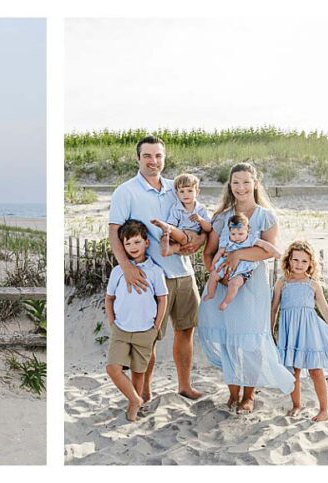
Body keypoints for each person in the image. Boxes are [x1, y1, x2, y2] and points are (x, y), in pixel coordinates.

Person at [108, 136, 205, 401]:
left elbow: (199, 224)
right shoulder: (126, 191)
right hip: (149, 276)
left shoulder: (178, 187)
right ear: (138, 158)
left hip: (183, 272)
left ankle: (184, 385)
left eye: (158, 156)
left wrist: (196, 240)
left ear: (164, 158)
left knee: (186, 331)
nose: (153, 161)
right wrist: (126, 267)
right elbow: (114, 232)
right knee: (148, 336)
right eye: (148, 156)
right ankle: (145, 390)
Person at [197, 162, 294, 413]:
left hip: (253, 286)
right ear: (230, 186)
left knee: (251, 340)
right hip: (225, 284)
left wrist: (238, 255)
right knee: (229, 340)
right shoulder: (221, 217)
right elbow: (209, 252)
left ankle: (248, 394)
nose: (241, 187)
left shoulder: (266, 216)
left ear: (255, 183)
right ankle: (233, 392)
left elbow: (268, 252)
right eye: (236, 182)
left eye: (246, 181)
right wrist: (218, 275)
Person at [272, 240, 328, 421]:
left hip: (310, 332)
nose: (299, 265)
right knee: (293, 370)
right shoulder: (282, 282)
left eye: (304, 261)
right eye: (295, 260)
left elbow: (325, 309)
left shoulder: (312, 284)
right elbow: (273, 308)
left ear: (311, 263)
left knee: (315, 370)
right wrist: (270, 330)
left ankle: (324, 409)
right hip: (290, 333)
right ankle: (296, 405)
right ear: (288, 260)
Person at [104, 220, 167, 421]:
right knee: (113, 368)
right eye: (128, 243)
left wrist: (156, 326)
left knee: (139, 371)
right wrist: (112, 321)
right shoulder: (118, 271)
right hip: (121, 329)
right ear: (123, 246)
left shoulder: (155, 271)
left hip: (145, 330)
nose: (133, 247)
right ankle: (134, 399)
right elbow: (109, 297)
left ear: (146, 243)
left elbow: (162, 298)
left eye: (137, 242)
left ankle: (134, 406)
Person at [203, 213, 282, 310]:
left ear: (248, 231)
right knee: (213, 276)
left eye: (240, 234)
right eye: (233, 234)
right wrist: (213, 266)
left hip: (243, 269)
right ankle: (211, 293)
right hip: (225, 265)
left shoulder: (251, 240)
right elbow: (219, 253)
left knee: (234, 284)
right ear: (229, 232)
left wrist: (275, 252)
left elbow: (265, 245)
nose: (236, 237)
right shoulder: (227, 241)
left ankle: (226, 302)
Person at [150, 173, 211, 257]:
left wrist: (200, 220)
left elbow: (208, 228)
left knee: (182, 240)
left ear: (197, 192)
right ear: (177, 194)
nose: (185, 194)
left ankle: (166, 233)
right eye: (182, 191)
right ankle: (167, 242)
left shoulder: (201, 209)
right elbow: (173, 223)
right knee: (177, 239)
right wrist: (171, 230)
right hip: (180, 236)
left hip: (192, 237)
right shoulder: (176, 208)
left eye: (190, 191)